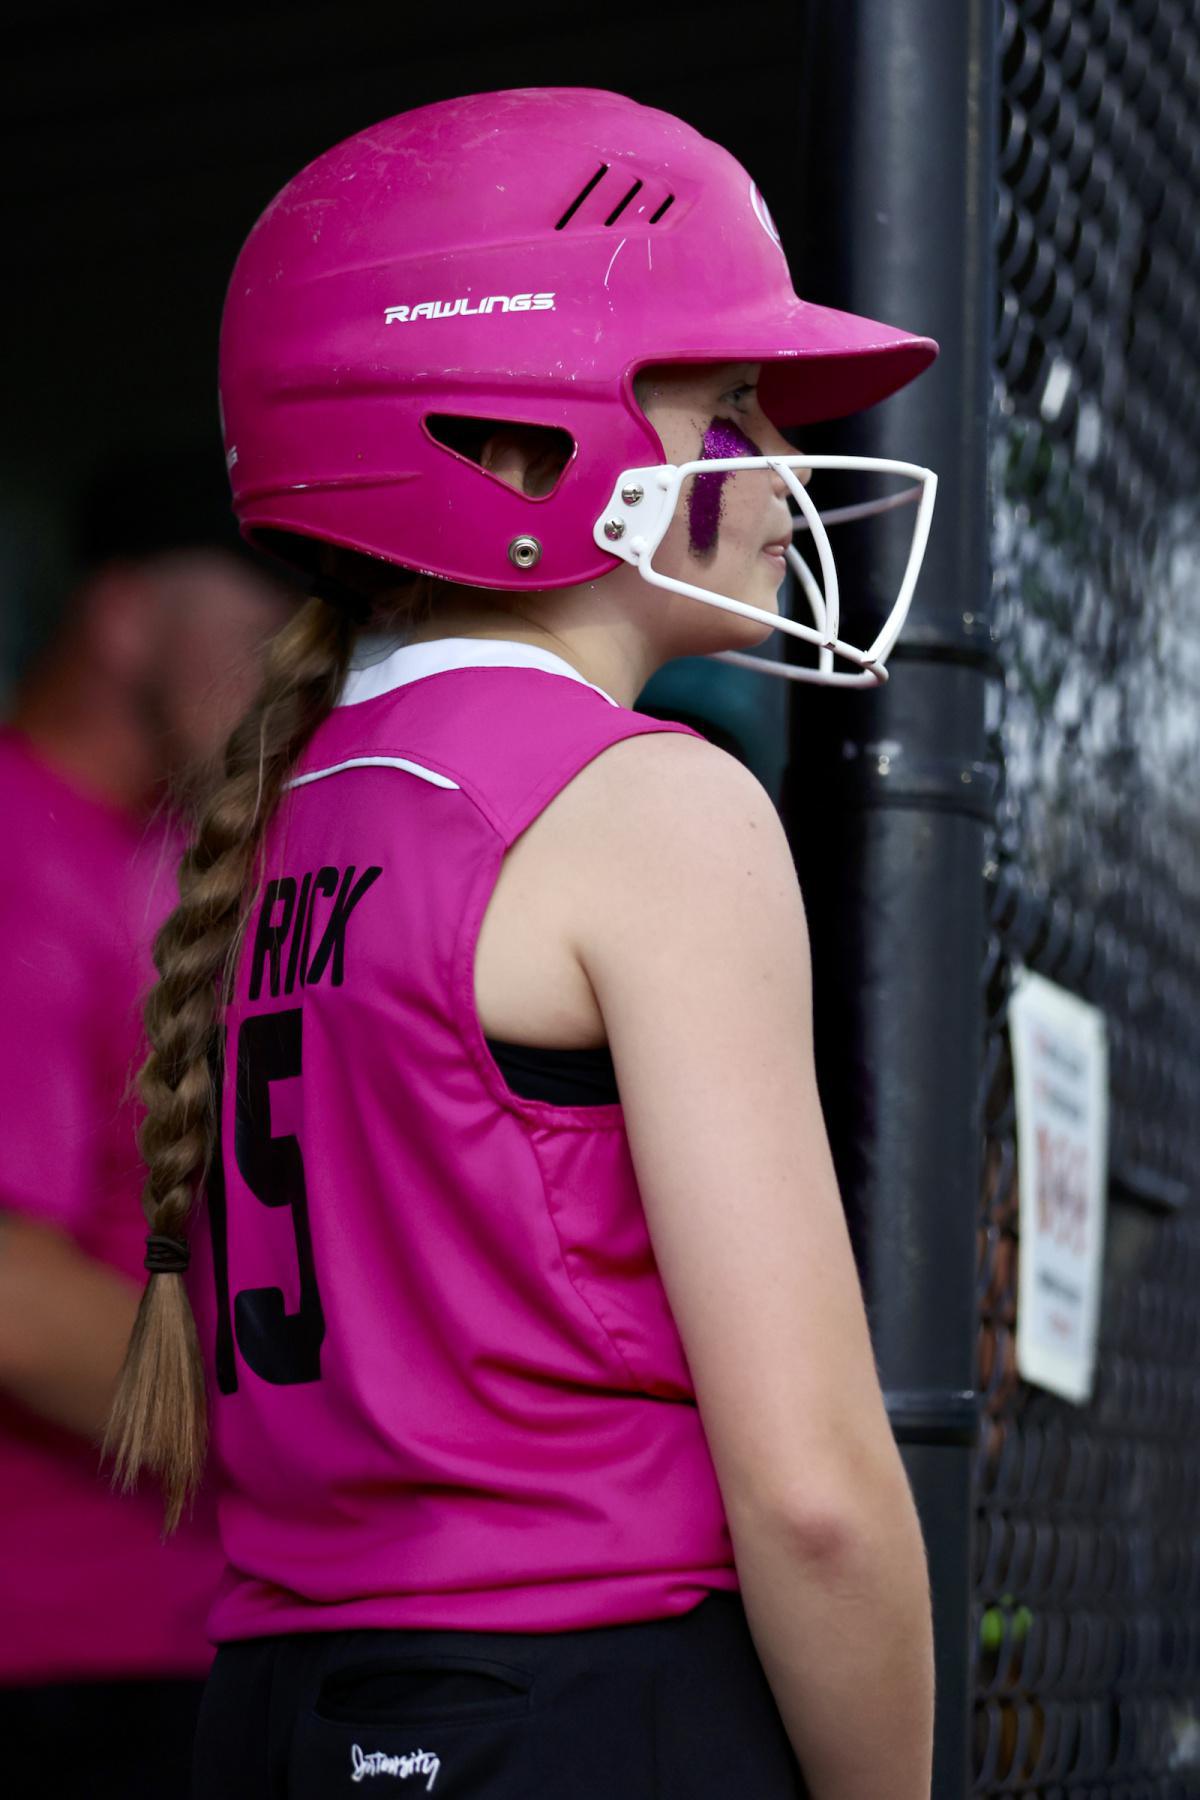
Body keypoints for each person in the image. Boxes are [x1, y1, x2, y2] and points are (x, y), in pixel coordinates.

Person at [108, 90, 940, 1799]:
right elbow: (815, 1493)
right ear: (507, 443)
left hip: (270, 1722)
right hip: (583, 1712)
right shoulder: (652, 811)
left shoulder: (281, 812)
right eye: (729, 408)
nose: (783, 478)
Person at [0, 454, 290, 1797]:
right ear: (125, 620)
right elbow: (8, 1290)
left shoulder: (171, 858)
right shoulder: (16, 843)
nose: (284, 675)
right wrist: (326, 1451)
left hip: (202, 1635)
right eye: (253, 631)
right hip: (61, 1659)